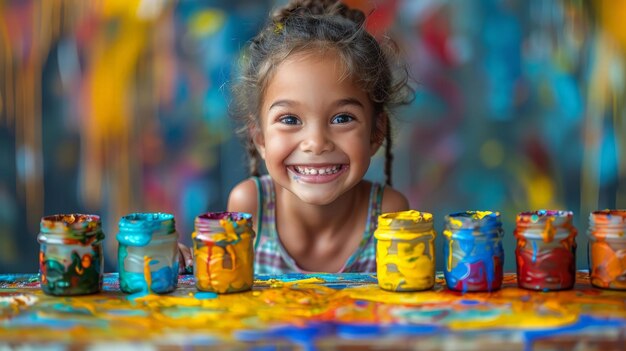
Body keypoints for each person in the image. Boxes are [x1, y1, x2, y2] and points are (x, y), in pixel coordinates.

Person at [225, 0, 414, 274]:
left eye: (342, 118)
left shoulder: (389, 213)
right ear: (261, 138)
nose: (316, 142)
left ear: (376, 133)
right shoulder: (249, 205)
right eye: (290, 120)